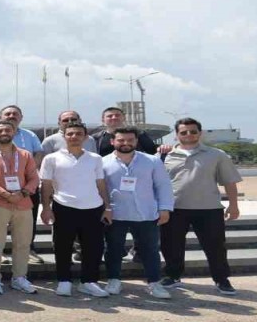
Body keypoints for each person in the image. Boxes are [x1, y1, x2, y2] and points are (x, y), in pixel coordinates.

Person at [160, 118, 242, 296]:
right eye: (184, 132)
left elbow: (229, 182)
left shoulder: (216, 155)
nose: (188, 135)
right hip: (175, 208)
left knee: (215, 247)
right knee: (171, 245)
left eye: (193, 131)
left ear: (200, 133)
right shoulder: (166, 156)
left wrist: (233, 205)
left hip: (209, 209)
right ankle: (173, 276)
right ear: (177, 135)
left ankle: (222, 279)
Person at [40, 123, 112, 297]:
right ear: (64, 136)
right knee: (62, 246)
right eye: (70, 134)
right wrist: (46, 208)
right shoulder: (51, 158)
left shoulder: (95, 158)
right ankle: (64, 281)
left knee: (93, 247)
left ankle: (88, 282)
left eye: (78, 134)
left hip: (93, 208)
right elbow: (46, 185)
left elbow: (100, 184)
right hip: (63, 207)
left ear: (85, 137)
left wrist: (107, 207)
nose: (74, 136)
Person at [103, 127, 175, 298]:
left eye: (130, 140)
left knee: (150, 250)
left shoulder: (152, 161)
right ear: (113, 142)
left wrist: (165, 208)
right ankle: (114, 280)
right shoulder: (102, 163)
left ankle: (154, 283)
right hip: (116, 214)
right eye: (121, 140)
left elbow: (163, 185)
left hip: (146, 213)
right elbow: (100, 189)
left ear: (136, 141)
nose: (125, 143)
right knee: (113, 249)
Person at [0, 121, 41, 295]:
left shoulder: (25, 154)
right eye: (0, 130)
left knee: (23, 243)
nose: (4, 132)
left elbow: (34, 178)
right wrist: (5, 194)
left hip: (24, 204)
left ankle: (19, 277)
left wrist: (24, 192)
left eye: (8, 130)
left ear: (13, 133)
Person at [0, 105, 45, 266]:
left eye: (15, 114)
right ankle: (0, 251)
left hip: (27, 185)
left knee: (28, 219)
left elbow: (38, 153)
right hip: (1, 187)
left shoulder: (29, 135)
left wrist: (27, 172)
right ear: (0, 116)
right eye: (8, 113)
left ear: (21, 117)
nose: (11, 116)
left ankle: (28, 249)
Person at [91, 107, 160, 156]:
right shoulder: (95, 138)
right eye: (110, 116)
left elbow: (152, 151)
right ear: (103, 120)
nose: (114, 117)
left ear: (124, 118)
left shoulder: (139, 134)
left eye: (117, 115)